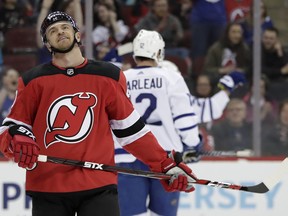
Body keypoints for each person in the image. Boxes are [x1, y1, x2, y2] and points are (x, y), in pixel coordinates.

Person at [0, 11, 199, 216]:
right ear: (47, 44)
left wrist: (164, 164)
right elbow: (11, 127)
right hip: (48, 187)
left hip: (98, 185)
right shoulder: (32, 80)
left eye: (65, 27)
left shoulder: (108, 75)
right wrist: (19, 137)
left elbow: (131, 131)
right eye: (52, 31)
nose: (60, 32)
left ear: (78, 35)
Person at [115, 29, 246, 216]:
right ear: (159, 52)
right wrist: (193, 144)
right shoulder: (171, 78)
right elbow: (186, 119)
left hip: (125, 157)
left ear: (135, 53)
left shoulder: (121, 79)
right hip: (165, 158)